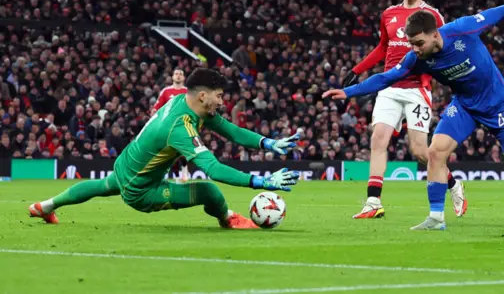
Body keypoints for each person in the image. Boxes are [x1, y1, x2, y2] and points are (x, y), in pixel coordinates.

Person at [324, 0, 504, 230]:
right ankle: (436, 218)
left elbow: (501, 12)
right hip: (465, 105)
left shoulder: (463, 29)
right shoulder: (414, 59)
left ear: (434, 34)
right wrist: (349, 92)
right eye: (412, 44)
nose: (415, 49)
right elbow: (387, 77)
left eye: (419, 43)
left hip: (497, 104)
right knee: (436, 152)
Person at [29, 68, 301, 229]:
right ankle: (228, 219)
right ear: (204, 95)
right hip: (141, 189)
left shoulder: (186, 100)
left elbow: (230, 131)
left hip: (127, 164)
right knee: (209, 190)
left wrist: (267, 142)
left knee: (101, 186)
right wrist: (261, 181)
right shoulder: (180, 126)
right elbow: (213, 169)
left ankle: (45, 205)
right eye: (219, 96)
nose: (221, 102)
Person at [342, 0, 467, 219]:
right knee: (378, 139)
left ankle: (453, 184)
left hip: (416, 89)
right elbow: (382, 48)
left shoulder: (432, 16)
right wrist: (357, 71)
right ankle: (373, 201)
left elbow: (442, 47)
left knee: (421, 152)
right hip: (389, 86)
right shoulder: (388, 14)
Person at [151, 68, 190, 183]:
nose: (178, 76)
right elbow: (156, 108)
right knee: (168, 151)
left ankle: (184, 170)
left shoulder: (188, 92)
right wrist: (154, 114)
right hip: (168, 126)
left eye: (181, 74)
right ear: (172, 77)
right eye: (176, 74)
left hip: (183, 124)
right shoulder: (166, 91)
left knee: (182, 150)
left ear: (183, 78)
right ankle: (176, 174)